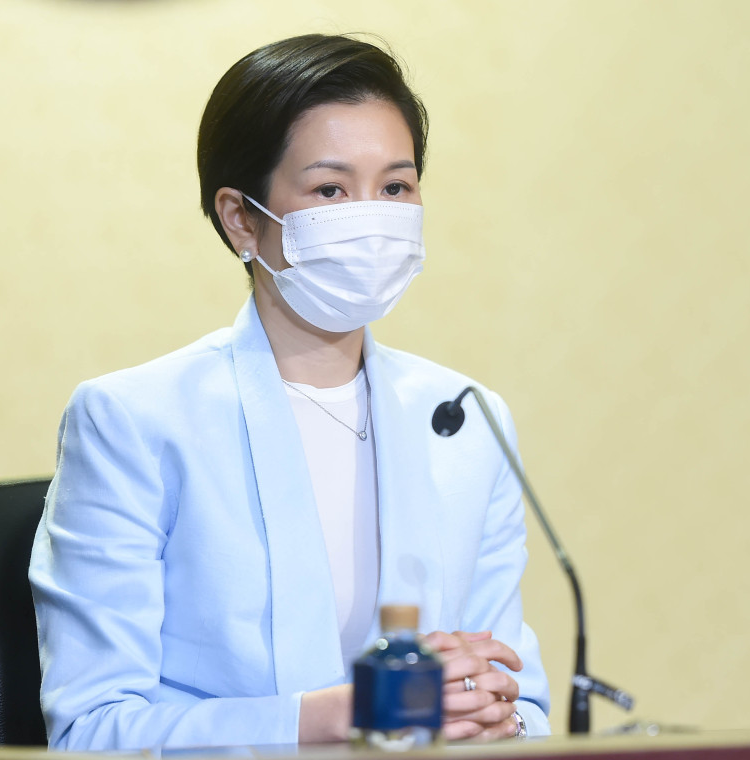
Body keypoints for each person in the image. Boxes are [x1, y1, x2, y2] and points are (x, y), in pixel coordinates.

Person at [28, 33, 552, 751]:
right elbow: (92, 732)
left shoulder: (465, 418)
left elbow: (523, 700)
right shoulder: (134, 420)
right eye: (330, 190)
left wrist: (498, 718)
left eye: (395, 188)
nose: (371, 217)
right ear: (241, 218)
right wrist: (344, 715)